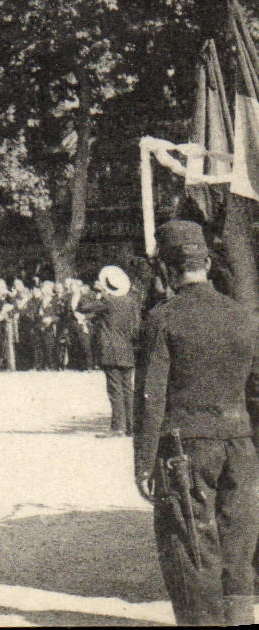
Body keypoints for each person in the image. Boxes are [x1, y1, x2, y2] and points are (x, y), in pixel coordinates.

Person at [135, 220, 259, 626]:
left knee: (190, 543)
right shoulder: (243, 316)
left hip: (185, 448)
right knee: (238, 541)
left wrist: (143, 461)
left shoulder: (163, 318)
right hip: (239, 445)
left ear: (167, 269)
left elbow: (151, 397)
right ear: (206, 261)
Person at [78, 265, 141, 437]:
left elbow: (83, 307)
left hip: (110, 349)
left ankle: (117, 427)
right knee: (128, 389)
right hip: (126, 348)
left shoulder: (107, 301)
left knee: (115, 389)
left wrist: (93, 292)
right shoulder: (131, 302)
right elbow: (136, 327)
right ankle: (131, 426)